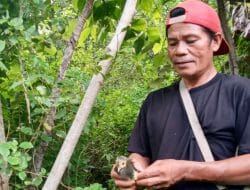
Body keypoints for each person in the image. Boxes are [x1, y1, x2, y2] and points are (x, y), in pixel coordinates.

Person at [111, 0, 250, 189]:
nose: (180, 51)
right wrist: (129, 169)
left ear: (215, 42)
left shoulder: (240, 92)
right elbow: (139, 154)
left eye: (191, 41)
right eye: (172, 43)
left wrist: (184, 170)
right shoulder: (154, 101)